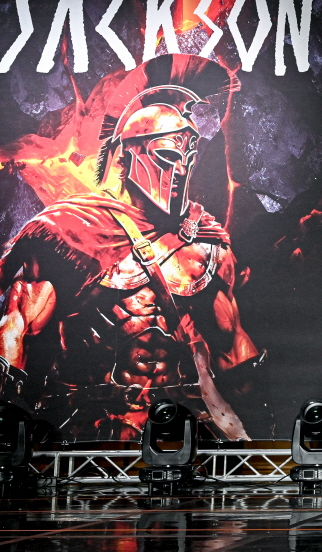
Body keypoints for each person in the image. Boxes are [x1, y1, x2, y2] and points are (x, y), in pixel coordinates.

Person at [0, 55, 256, 442]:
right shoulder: (72, 229)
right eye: (168, 156)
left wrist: (261, 425)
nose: (180, 170)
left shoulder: (205, 244)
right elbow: (17, 329)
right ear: (127, 154)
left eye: (188, 159)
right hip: (90, 431)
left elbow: (233, 349)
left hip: (178, 429)